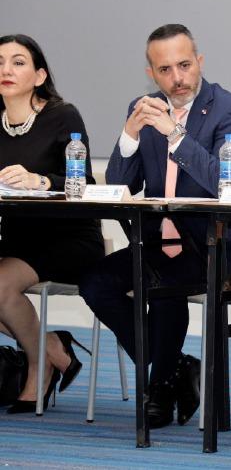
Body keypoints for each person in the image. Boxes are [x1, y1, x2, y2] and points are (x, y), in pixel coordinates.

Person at [79, 24, 231, 429]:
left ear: (199, 62)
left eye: (184, 65)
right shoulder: (143, 108)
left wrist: (175, 133)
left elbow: (223, 183)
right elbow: (120, 186)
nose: (177, 78)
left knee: (165, 285)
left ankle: (162, 387)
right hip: (159, 242)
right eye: (165, 70)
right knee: (96, 283)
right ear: (151, 73)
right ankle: (175, 365)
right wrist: (130, 134)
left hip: (217, 245)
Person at [0, 34, 105, 413]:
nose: (6, 69)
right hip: (16, 238)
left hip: (68, 238)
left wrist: (39, 180)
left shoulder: (63, 116)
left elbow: (84, 184)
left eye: (18, 62)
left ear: (39, 75)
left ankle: (39, 366)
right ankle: (51, 346)